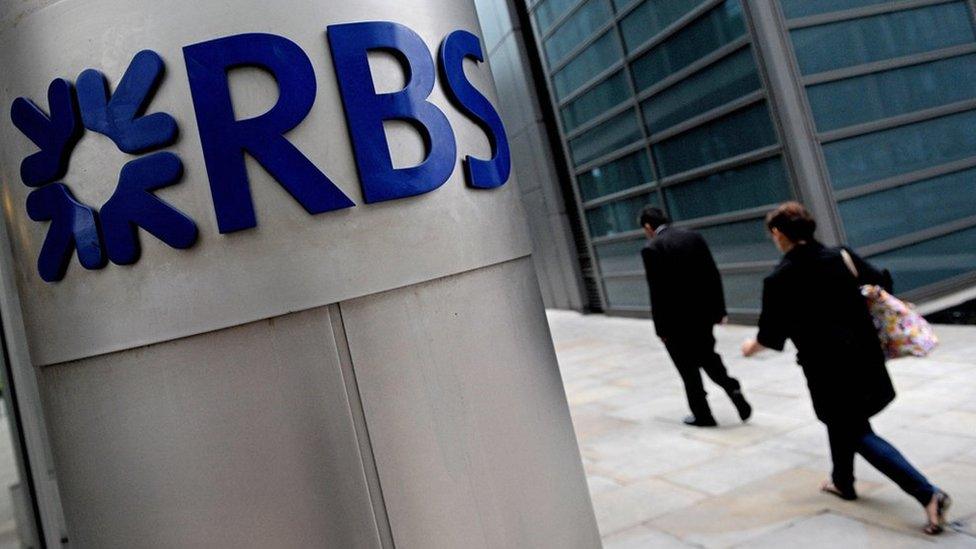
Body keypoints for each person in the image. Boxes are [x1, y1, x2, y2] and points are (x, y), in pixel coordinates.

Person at [741, 202, 951, 535]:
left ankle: (927, 493)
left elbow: (771, 335)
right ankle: (843, 481)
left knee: (855, 431)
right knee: (843, 421)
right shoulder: (841, 257)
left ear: (778, 234)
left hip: (827, 369)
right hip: (864, 357)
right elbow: (882, 280)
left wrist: (750, 348)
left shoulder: (779, 278)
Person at [639, 206, 752, 427]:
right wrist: (720, 311)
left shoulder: (652, 248)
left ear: (647, 226)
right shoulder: (693, 237)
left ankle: (703, 414)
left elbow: (658, 292)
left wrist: (660, 329)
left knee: (687, 370)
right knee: (708, 357)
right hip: (702, 316)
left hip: (675, 323)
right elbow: (712, 274)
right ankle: (732, 387)